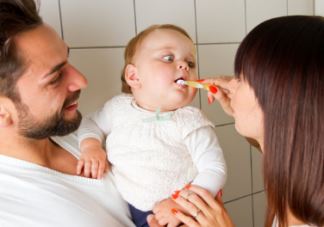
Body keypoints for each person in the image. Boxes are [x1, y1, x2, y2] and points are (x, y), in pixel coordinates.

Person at [148, 15, 324, 227]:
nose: (230, 85)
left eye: (240, 78)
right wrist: (245, 113)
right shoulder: (305, 179)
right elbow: (288, 146)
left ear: (279, 100)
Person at [76, 24, 227, 227]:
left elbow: (214, 169)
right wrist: (91, 146)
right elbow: (90, 123)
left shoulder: (191, 121)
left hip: (181, 214)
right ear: (134, 76)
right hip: (130, 208)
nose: (184, 65)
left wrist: (180, 204)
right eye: (168, 58)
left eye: (190, 63)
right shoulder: (117, 109)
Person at [0, 0, 135, 226]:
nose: (82, 80)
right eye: (54, 78)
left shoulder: (89, 135)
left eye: (67, 60)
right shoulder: (9, 209)